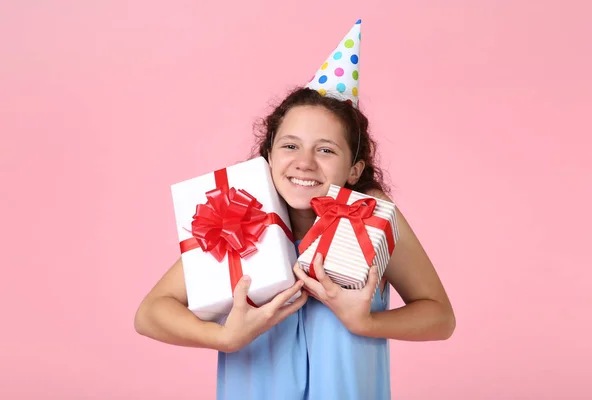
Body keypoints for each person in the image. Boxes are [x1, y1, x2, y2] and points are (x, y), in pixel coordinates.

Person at [134, 20, 455, 400]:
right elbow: (150, 313)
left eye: (325, 149)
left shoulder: (370, 219)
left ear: (354, 169)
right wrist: (225, 336)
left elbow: (440, 317)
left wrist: (365, 322)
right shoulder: (241, 222)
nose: (304, 163)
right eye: (290, 146)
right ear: (268, 155)